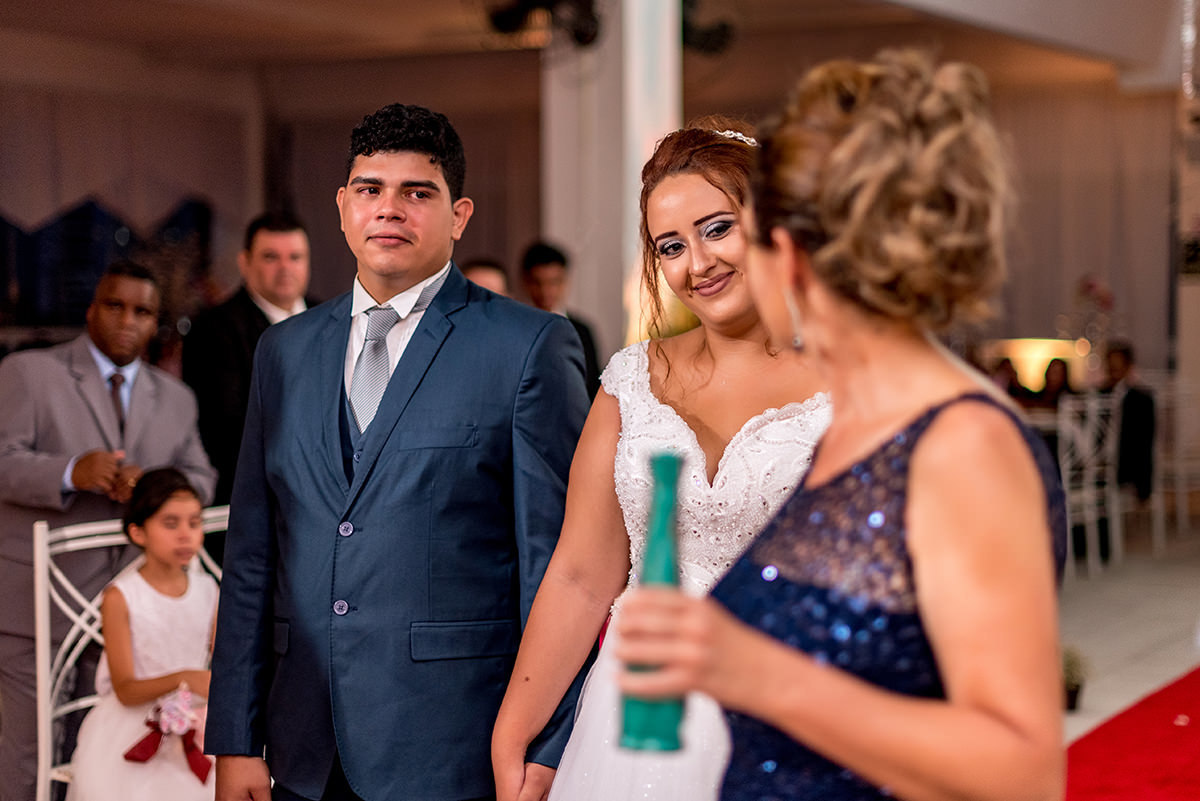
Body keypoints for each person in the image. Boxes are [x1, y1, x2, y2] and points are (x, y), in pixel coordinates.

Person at [616, 50, 1068, 801]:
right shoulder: (858, 419)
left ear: (789, 253)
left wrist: (757, 672)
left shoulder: (962, 443)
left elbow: (1023, 772)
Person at [205, 103, 590, 801]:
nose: (389, 209)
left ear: (459, 215)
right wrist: (235, 735)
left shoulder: (526, 347)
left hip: (455, 746)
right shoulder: (283, 351)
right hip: (302, 744)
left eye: (417, 192)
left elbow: (559, 565)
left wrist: (549, 743)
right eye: (370, 189)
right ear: (343, 207)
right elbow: (253, 553)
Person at [491, 120, 831, 801]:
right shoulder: (630, 383)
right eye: (670, 246)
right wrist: (513, 730)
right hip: (636, 719)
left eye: (717, 229)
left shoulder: (853, 380)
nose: (696, 264)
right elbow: (581, 577)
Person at [0, 261, 216, 801]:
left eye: (142, 312)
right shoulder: (28, 373)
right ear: (91, 309)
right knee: (28, 752)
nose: (127, 321)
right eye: (115, 306)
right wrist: (71, 471)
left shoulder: (176, 397)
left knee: (97, 755)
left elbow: (201, 479)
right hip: (37, 600)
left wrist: (153, 486)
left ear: (156, 323)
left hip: (129, 609)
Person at [68, 468, 219, 801]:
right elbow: (125, 689)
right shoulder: (121, 597)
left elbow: (223, 660)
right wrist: (185, 679)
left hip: (196, 719)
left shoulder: (209, 590)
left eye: (194, 523)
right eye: (171, 524)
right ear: (138, 532)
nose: (185, 535)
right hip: (131, 725)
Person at [182, 211, 313, 517]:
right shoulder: (212, 331)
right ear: (245, 262)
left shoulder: (338, 318)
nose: (285, 268)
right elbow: (225, 430)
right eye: (271, 257)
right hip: (253, 503)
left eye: (295, 257)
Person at [521, 240, 602, 399]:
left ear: (565, 281)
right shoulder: (515, 328)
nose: (546, 291)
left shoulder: (582, 331)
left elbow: (592, 385)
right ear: (526, 282)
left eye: (554, 282)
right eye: (538, 283)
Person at [1104, 339, 1156, 503]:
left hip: (1126, 463)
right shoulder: (1097, 396)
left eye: (1117, 366)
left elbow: (1145, 442)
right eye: (1110, 366)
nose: (1113, 371)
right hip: (1098, 462)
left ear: (1128, 367)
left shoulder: (1142, 400)